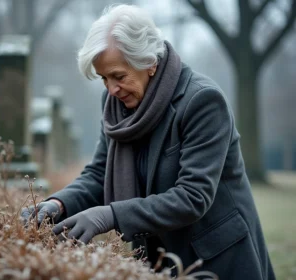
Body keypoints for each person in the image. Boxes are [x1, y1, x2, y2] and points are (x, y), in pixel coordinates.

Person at [22, 4, 275, 279]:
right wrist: (58, 204)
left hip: (216, 259)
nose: (111, 89)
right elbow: (99, 172)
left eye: (118, 76)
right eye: (104, 78)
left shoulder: (202, 102)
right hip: (157, 259)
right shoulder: (115, 104)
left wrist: (111, 215)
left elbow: (193, 196)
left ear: (149, 63)